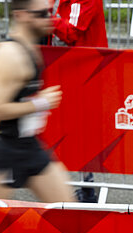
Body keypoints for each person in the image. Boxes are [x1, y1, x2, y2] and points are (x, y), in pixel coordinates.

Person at [0, 0, 76, 203]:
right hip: (6, 151)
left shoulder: (26, 48)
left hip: (29, 146)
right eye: (41, 14)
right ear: (21, 15)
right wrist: (40, 103)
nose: (50, 19)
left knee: (69, 215)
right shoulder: (11, 55)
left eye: (49, 12)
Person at [50, 0, 108, 203]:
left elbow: (71, 32)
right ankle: (82, 185)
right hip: (67, 69)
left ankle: (87, 188)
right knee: (69, 129)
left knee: (82, 131)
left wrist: (42, 17)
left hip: (85, 73)